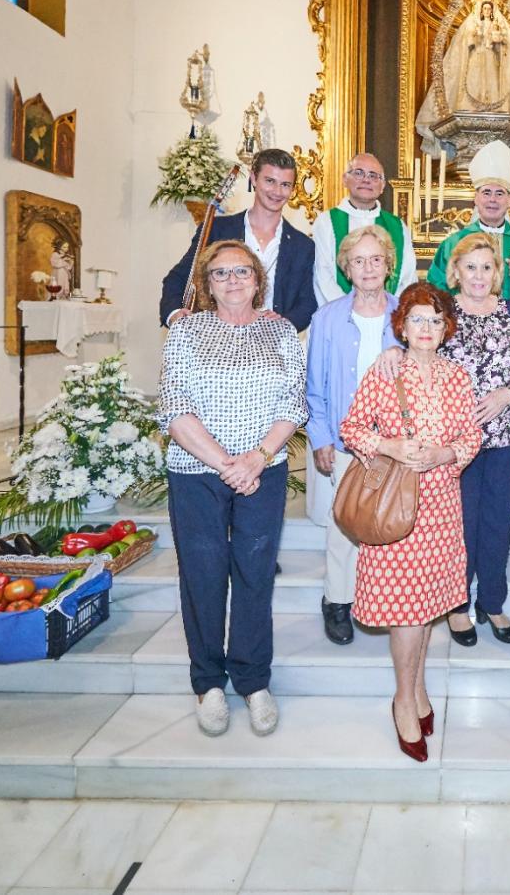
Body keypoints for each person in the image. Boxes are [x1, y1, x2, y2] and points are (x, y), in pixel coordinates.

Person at [156, 240, 307, 738]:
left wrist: (257, 458)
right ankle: (208, 682)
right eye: (220, 274)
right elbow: (174, 407)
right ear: (206, 284)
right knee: (202, 573)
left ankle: (253, 679)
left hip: (263, 468)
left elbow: (294, 401)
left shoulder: (281, 331)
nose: (233, 281)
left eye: (242, 272)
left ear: (258, 279)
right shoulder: (186, 331)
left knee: (254, 572)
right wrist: (228, 465)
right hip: (197, 471)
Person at [338, 282, 482, 762]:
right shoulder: (386, 372)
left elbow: (471, 437)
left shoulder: (457, 377)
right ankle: (403, 699)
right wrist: (391, 446)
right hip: (395, 506)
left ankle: (418, 688)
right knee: (405, 609)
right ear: (402, 324)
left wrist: (444, 453)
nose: (426, 328)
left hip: (442, 504)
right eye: (417, 319)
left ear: (446, 328)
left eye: (435, 320)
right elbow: (352, 428)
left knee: (427, 606)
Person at [439, 232, 510, 647]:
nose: (479, 275)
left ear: (498, 272)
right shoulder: (440, 312)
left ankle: (493, 601)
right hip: (454, 442)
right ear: (456, 271)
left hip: (504, 437)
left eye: (487, 267)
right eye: (471, 267)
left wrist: (508, 392)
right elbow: (420, 361)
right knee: (460, 526)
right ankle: (456, 604)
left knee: (497, 524)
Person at [305, 226, 404, 646]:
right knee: (344, 522)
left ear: (388, 265)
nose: (367, 268)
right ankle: (337, 601)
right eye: (358, 260)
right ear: (346, 267)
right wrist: (321, 437)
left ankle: (380, 599)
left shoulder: (406, 314)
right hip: (347, 440)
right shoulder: (326, 318)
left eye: (375, 259)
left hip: (396, 442)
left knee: (391, 523)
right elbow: (314, 386)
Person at [160, 148, 317, 333]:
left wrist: (283, 324)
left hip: (272, 345)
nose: (277, 191)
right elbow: (178, 277)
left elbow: (307, 302)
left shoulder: (303, 245)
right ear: (253, 178)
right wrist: (175, 314)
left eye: (285, 184)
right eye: (269, 181)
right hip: (216, 341)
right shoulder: (217, 230)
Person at [415, 0, 510, 159]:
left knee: (493, 83)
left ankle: (495, 107)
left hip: (491, 62)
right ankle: (471, 107)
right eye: (485, 8)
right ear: (480, 10)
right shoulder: (472, 25)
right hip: (476, 61)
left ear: (492, 10)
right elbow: (464, 48)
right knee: (474, 82)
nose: (487, 11)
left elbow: (506, 50)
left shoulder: (498, 26)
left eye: (489, 8)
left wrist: (496, 41)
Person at [427, 139, 510, 315]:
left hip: (509, 328)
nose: (493, 200)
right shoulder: (455, 243)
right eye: (486, 193)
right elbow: (436, 289)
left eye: (499, 193)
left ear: (509, 201)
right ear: (476, 199)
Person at [311, 152, 417, 304]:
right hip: (339, 315)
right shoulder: (326, 222)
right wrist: (346, 310)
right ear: (345, 179)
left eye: (374, 176)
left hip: (389, 315)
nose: (366, 180)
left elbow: (407, 276)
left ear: (382, 186)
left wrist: (392, 310)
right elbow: (322, 275)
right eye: (358, 173)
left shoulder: (397, 226)